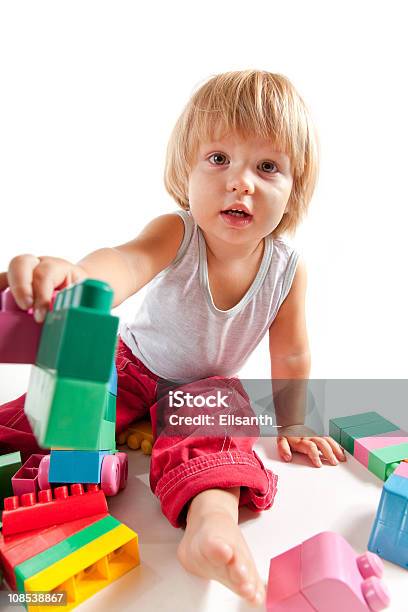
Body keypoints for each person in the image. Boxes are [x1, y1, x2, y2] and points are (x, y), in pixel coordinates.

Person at [0, 69, 346, 607]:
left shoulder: (287, 270)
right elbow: (127, 261)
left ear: (293, 188)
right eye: (219, 159)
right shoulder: (178, 232)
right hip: (133, 364)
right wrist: (79, 279)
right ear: (185, 171)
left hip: (205, 386)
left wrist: (294, 418)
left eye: (268, 166)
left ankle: (211, 530)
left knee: (220, 433)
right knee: (43, 417)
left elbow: (294, 351)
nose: (241, 182)